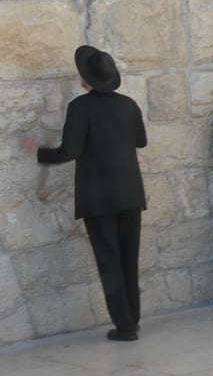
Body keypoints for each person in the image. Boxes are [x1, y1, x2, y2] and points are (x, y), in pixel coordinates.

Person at [22, 45, 147, 341]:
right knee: (129, 260)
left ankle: (125, 327)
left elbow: (70, 151)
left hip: (98, 197)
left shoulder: (80, 107)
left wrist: (38, 152)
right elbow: (140, 141)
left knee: (109, 262)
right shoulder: (129, 105)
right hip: (130, 193)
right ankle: (133, 318)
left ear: (85, 78)